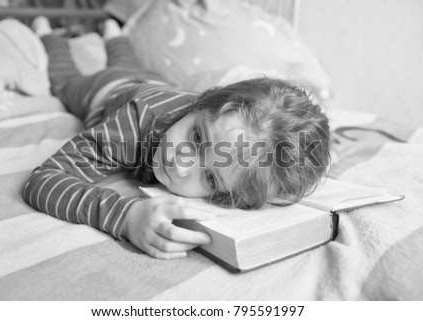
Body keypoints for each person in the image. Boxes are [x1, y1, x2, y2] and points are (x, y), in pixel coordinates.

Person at [23, 17, 331, 260]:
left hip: (152, 81)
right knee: (65, 79)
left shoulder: (229, 127)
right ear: (202, 103)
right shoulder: (133, 122)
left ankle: (113, 35)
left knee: (130, 63)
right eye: (197, 138)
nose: (180, 166)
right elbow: (43, 179)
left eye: (210, 178)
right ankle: (48, 34)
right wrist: (124, 215)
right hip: (105, 91)